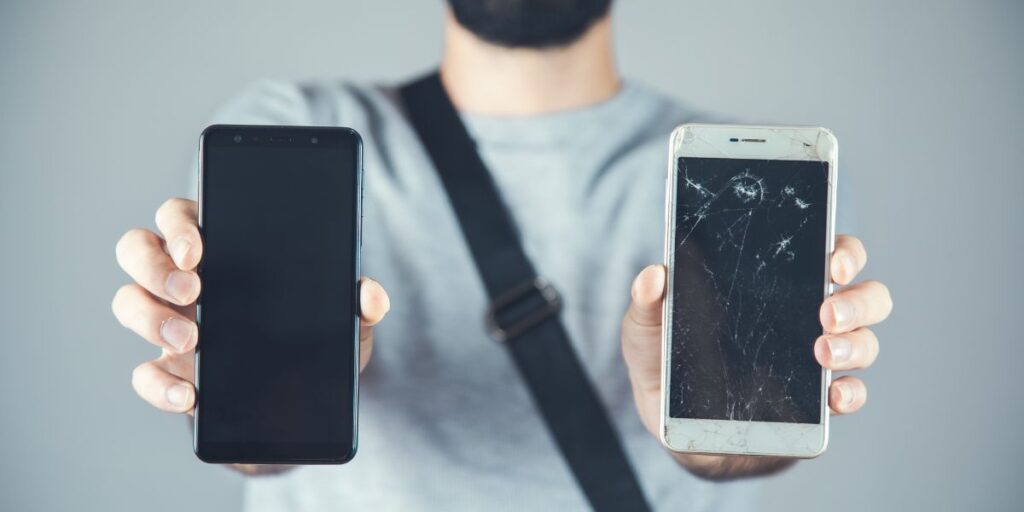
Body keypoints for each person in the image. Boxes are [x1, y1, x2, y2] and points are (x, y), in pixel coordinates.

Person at [111, 1, 893, 510]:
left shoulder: (747, 178)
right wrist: (250, 389)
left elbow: (751, 456)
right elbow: (257, 454)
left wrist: (711, 433)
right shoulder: (291, 128)